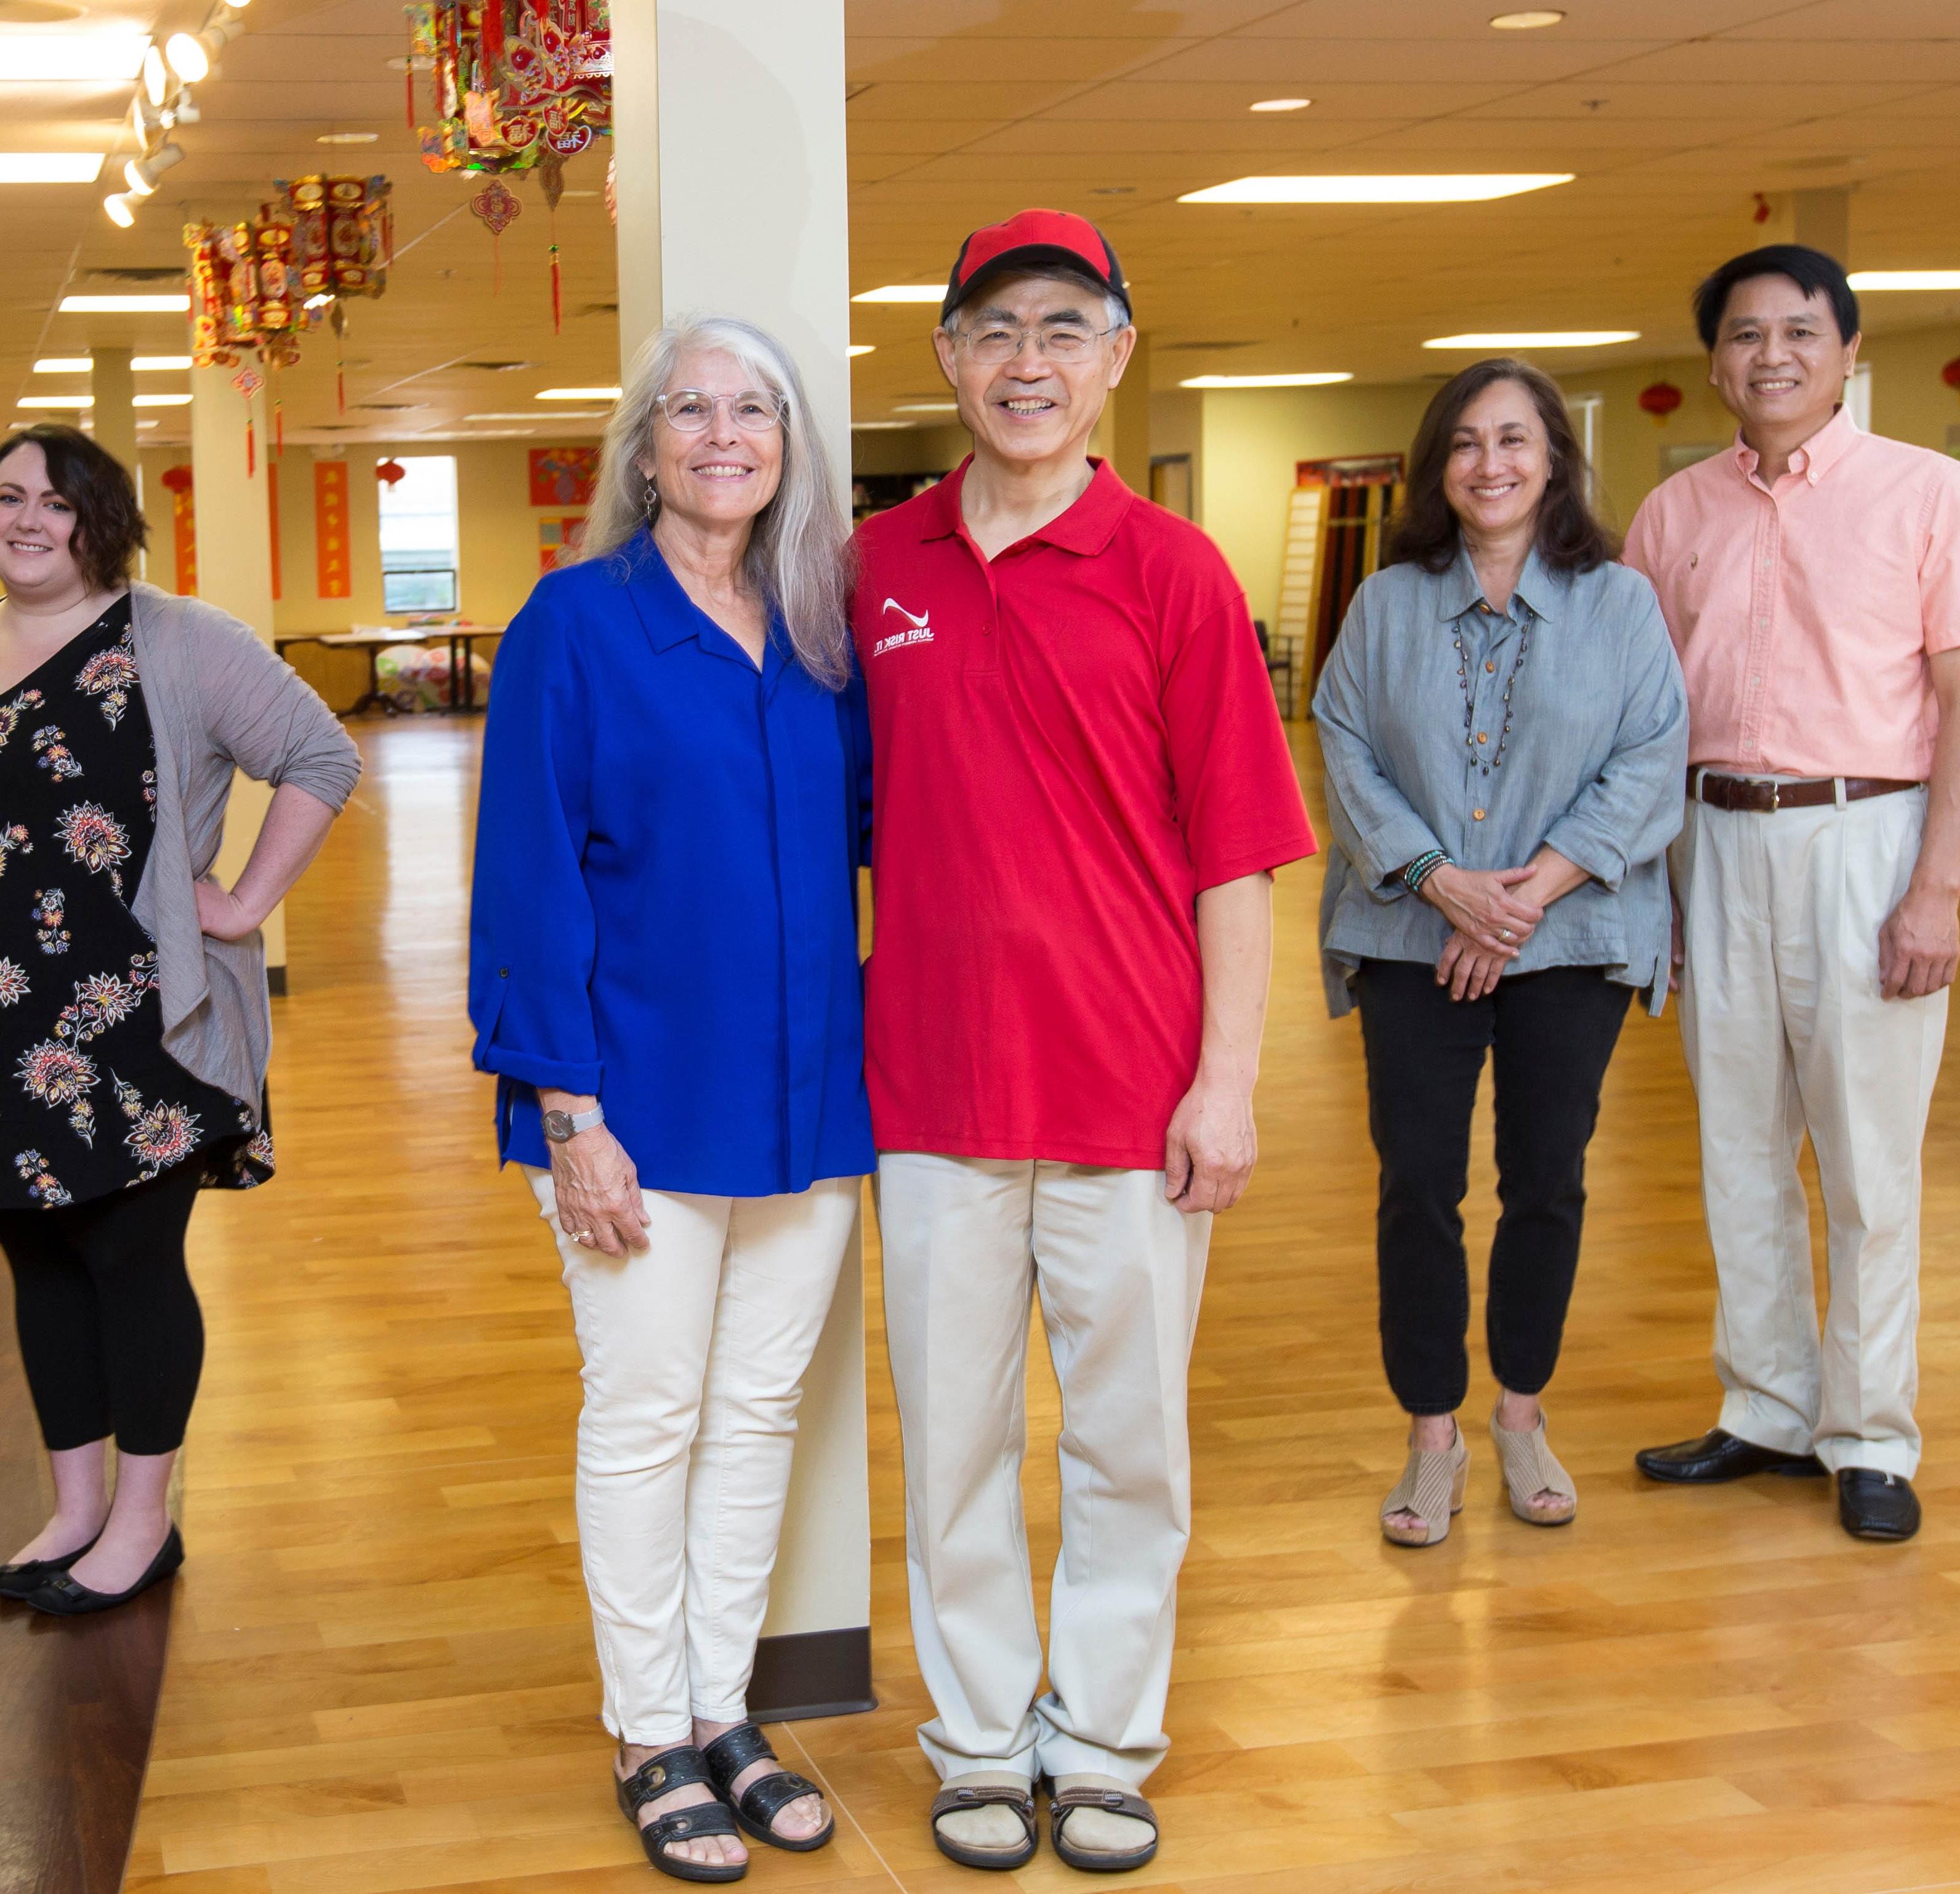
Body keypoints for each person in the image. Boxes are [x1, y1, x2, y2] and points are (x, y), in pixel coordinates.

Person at [853, 211, 1315, 1876]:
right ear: (947, 360)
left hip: (1133, 1095)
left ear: (1113, 356)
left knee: (1129, 1442)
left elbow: (1239, 855)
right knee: (954, 1438)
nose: (1024, 361)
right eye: (991, 330)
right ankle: (979, 1738)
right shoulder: (876, 567)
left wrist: (1228, 1080)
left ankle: (1104, 1738)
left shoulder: (1174, 573)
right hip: (926, 1093)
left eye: (1061, 328)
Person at [470, 315, 871, 1884]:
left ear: (789, 447)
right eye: (689, 409)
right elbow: (526, 886)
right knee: (647, 1416)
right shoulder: (575, 625)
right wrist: (569, 1115)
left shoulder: (825, 631)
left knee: (760, 1409)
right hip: (630, 1094)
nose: (723, 434)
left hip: (807, 1097)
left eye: (753, 409)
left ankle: (722, 1706)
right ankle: (646, 1726)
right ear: (644, 448)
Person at [0, 424, 356, 1617]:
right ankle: (77, 1505)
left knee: (129, 1260)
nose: (28, 520)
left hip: (136, 1019)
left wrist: (243, 901)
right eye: (7, 498)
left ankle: (145, 1520)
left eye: (60, 501)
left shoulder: (180, 639)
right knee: (37, 1262)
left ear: (107, 521)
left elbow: (319, 753)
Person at [1625, 246, 1960, 1543]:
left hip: (1870, 834)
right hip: (1712, 836)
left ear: (1849, 350)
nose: (1773, 356)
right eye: (1746, 335)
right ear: (1715, 362)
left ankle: (1870, 1431)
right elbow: (1641, 716)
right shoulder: (1674, 512)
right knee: (1738, 1145)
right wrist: (1656, 891)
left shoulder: (1931, 493)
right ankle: (1765, 1408)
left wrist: (1938, 890)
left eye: (1802, 332)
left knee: (1868, 1158)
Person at [1313, 358, 1689, 1548]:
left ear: (1554, 460)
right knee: (1417, 1184)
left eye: (1515, 440)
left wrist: (1528, 893)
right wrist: (1442, 884)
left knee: (1548, 1182)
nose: (1491, 464)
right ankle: (1432, 1434)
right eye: (1466, 443)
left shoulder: (1619, 604)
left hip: (1569, 935)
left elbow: (1648, 753)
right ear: (1439, 468)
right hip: (1408, 931)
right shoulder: (1383, 605)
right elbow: (1342, 742)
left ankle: (1521, 1411)